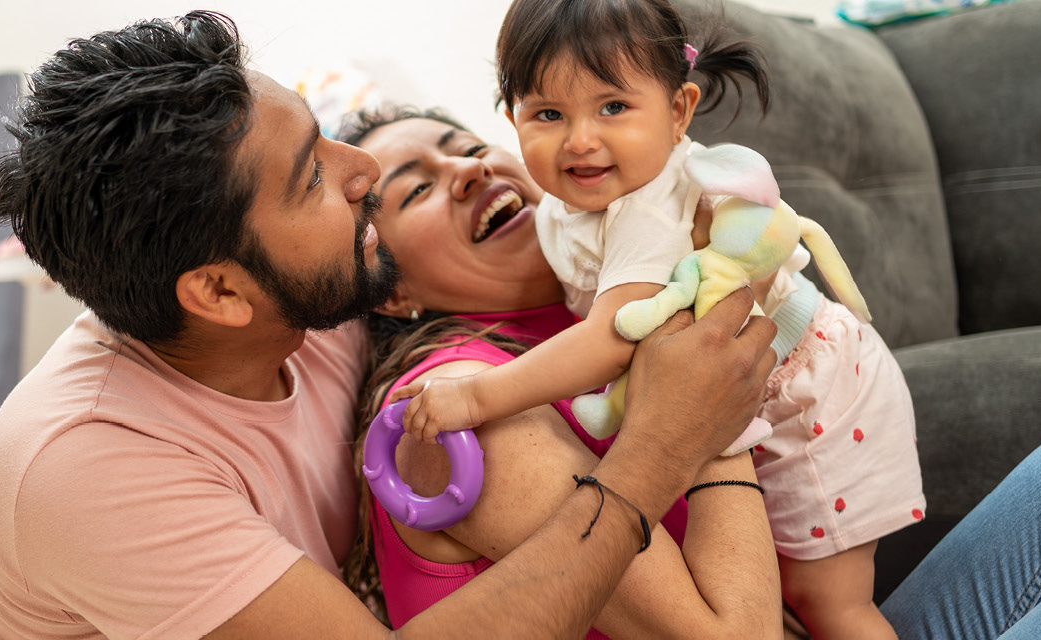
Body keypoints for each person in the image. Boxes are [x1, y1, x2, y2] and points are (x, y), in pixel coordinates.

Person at [0, 11, 780, 639]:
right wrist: (675, 441)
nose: (362, 173)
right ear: (218, 292)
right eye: (313, 174)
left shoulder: (307, 296)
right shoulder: (84, 466)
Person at [343, 106, 1041, 639]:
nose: (469, 171)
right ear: (395, 293)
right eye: (417, 188)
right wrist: (696, 410)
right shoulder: (457, 405)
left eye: (467, 145)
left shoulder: (600, 299)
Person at [387, 1, 921, 635]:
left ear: (678, 112)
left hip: (811, 387)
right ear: (515, 118)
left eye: (612, 106)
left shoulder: (643, 209)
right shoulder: (568, 219)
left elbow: (614, 340)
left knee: (831, 600)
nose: (581, 137)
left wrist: (477, 398)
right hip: (769, 396)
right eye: (550, 114)